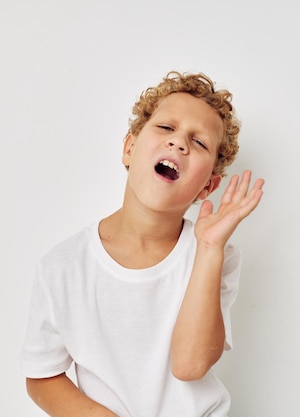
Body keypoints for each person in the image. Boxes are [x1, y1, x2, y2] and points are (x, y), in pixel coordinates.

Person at [20, 71, 264, 417]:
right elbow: (41, 375)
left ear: (208, 187)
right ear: (130, 149)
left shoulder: (215, 256)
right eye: (166, 128)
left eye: (199, 143)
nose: (178, 143)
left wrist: (209, 248)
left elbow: (190, 365)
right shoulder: (63, 266)